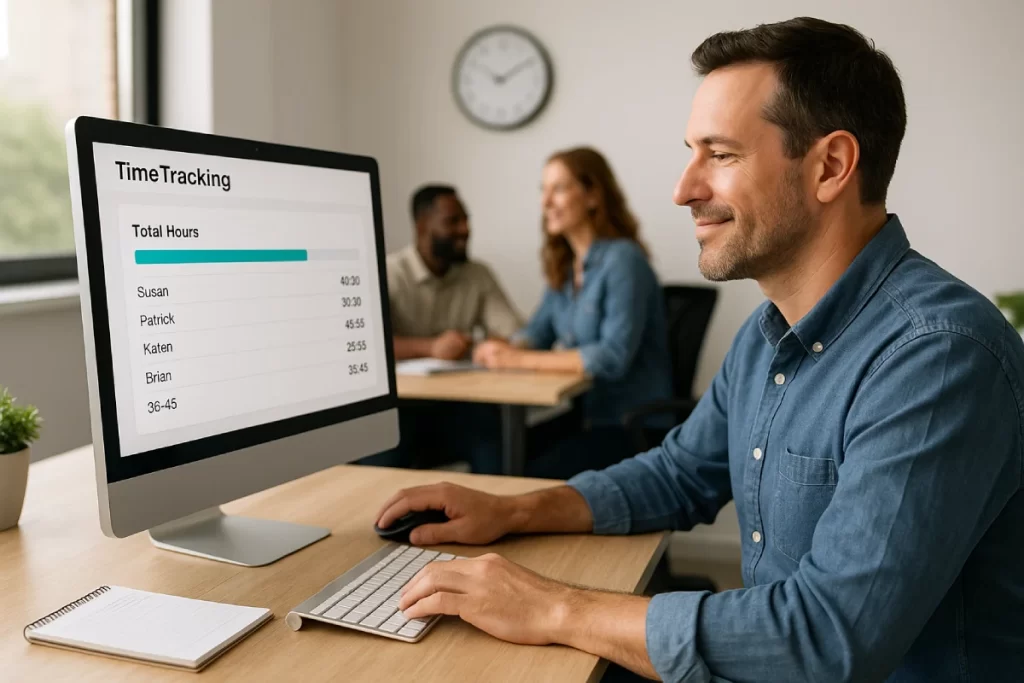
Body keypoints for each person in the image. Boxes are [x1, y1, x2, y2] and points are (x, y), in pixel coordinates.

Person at [376, 17, 1024, 682]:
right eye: (692, 152)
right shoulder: (766, 335)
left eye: (719, 155)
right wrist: (511, 510)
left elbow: (827, 639)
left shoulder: (938, 357)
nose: (683, 189)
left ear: (830, 166)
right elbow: (678, 473)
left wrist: (555, 608)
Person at [473, 148, 673, 478]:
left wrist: (517, 361)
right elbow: (537, 333)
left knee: (525, 475)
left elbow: (612, 357)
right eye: (543, 190)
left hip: (630, 424)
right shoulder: (566, 268)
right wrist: (505, 348)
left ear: (593, 195)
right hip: (588, 417)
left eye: (559, 188)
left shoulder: (624, 260)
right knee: (495, 457)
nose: (545, 202)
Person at [361, 185, 522, 473]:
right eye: (453, 221)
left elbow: (514, 333)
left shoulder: (477, 275)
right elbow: (368, 343)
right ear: (422, 225)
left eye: (466, 220)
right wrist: (431, 347)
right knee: (376, 461)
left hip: (461, 405)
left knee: (494, 435)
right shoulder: (388, 273)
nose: (465, 230)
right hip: (400, 410)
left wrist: (477, 346)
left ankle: (501, 513)